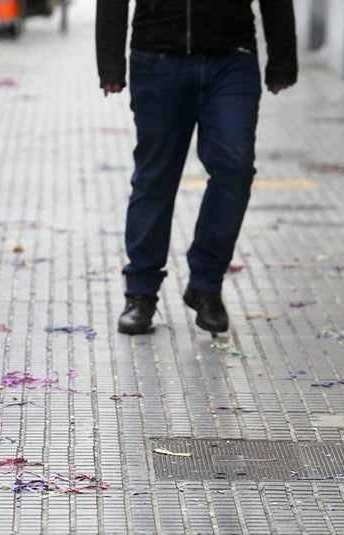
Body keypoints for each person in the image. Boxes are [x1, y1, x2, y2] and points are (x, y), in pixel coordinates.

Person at [96, 0, 297, 335]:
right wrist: (110, 65)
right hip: (158, 58)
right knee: (155, 177)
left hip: (232, 58)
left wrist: (283, 61)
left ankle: (206, 283)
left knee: (235, 169)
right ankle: (141, 292)